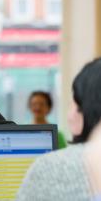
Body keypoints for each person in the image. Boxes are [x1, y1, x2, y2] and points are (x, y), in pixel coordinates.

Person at [17, 58, 101, 201]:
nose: (37, 108)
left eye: (41, 104)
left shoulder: (50, 167)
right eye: (34, 104)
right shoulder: (20, 130)